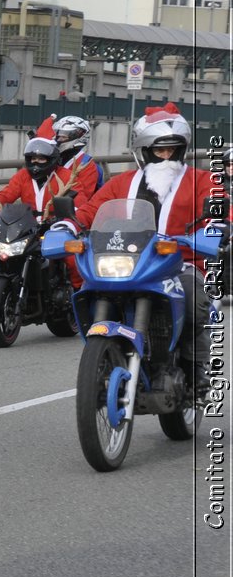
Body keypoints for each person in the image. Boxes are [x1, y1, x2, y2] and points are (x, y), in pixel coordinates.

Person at [54, 103, 225, 396]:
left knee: (194, 298)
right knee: (92, 288)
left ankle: (195, 370)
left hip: (181, 261)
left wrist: (217, 228)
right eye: (159, 151)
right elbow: (90, 210)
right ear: (144, 151)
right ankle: (104, 355)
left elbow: (221, 210)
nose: (166, 157)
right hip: (130, 259)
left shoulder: (202, 180)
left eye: (173, 150)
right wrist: (66, 226)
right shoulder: (121, 182)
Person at [0, 116, 97, 228]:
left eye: (41, 159)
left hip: (57, 227)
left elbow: (79, 200)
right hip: (27, 228)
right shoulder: (23, 175)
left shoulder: (68, 175)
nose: (36, 163)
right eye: (33, 159)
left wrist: (68, 218)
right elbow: (6, 194)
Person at [52, 114, 107, 190]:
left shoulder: (87, 165)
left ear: (80, 136)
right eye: (58, 136)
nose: (59, 140)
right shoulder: (56, 158)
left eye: (64, 136)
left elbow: (82, 194)